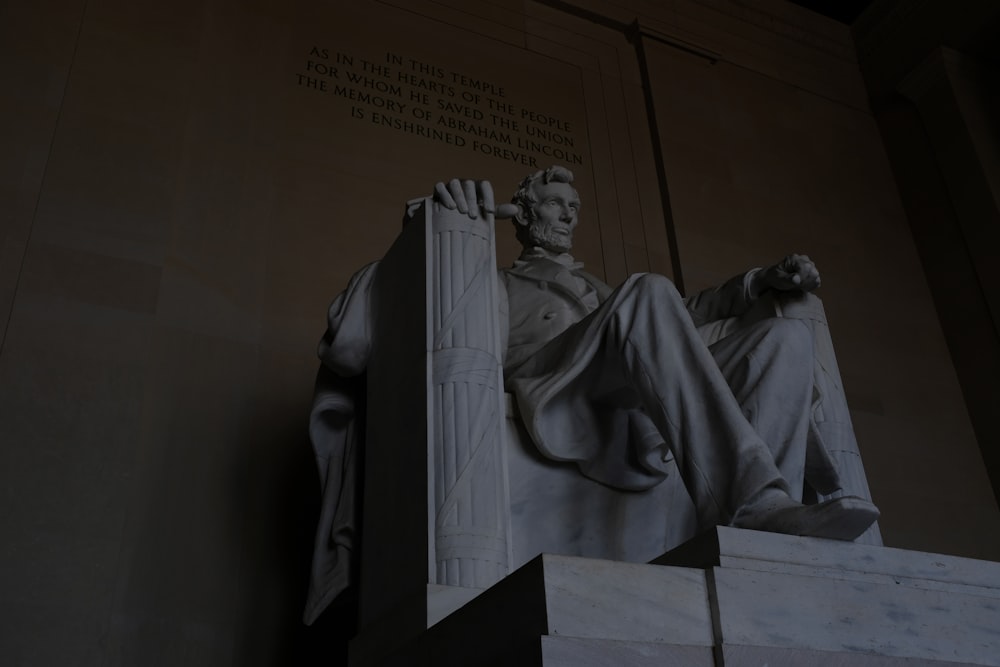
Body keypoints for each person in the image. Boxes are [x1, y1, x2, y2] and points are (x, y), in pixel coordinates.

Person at [432, 165, 879, 541]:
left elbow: (681, 317)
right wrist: (448, 218)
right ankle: (754, 502)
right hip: (554, 377)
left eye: (574, 207)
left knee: (784, 339)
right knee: (648, 290)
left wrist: (760, 282)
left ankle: (771, 518)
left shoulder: (606, 289)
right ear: (524, 215)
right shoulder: (500, 280)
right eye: (554, 204)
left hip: (623, 376)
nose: (568, 216)